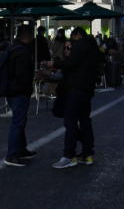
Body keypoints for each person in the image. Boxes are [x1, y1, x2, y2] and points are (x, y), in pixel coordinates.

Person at [51, 27, 102, 169]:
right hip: (87, 90)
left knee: (70, 122)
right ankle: (87, 154)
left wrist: (54, 64)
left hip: (76, 89)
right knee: (85, 121)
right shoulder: (93, 48)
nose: (70, 47)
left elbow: (70, 64)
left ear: (77, 35)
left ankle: (69, 156)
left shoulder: (81, 46)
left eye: (71, 44)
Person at [2, 25, 36, 168]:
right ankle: (12, 154)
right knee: (18, 122)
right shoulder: (22, 51)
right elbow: (22, 75)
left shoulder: (11, 48)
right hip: (19, 91)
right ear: (27, 36)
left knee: (20, 121)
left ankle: (21, 149)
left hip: (11, 90)